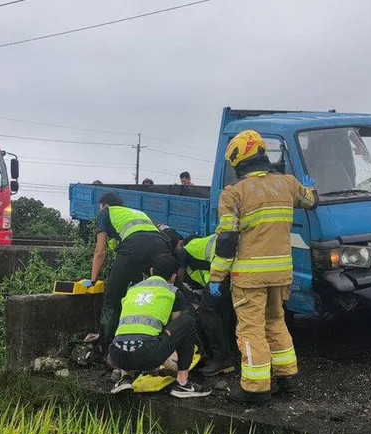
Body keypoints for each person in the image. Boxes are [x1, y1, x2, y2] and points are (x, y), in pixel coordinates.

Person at [210, 130, 316, 404]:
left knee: (250, 329)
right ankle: (287, 378)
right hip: (281, 274)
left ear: (238, 161)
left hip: (249, 278)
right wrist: (310, 188)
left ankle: (255, 389)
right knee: (276, 322)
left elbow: (226, 240)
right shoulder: (288, 184)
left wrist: (217, 276)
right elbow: (311, 200)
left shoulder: (233, 193)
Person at [107, 253, 211, 398]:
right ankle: (183, 383)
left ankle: (125, 378)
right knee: (187, 321)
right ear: (174, 277)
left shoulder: (132, 290)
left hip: (116, 354)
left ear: (151, 271)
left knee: (128, 329)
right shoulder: (172, 291)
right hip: (147, 353)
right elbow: (177, 327)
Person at [85, 193, 171, 358]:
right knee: (156, 293)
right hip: (160, 246)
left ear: (105, 205)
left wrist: (93, 279)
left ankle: (104, 347)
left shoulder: (106, 212)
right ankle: (161, 342)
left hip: (134, 246)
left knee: (111, 298)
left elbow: (100, 251)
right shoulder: (137, 213)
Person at [177, 234, 236, 376]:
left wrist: (187, 296)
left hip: (224, 271)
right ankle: (229, 351)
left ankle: (221, 359)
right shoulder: (203, 249)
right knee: (224, 310)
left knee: (205, 311)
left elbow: (178, 277)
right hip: (237, 270)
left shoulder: (186, 249)